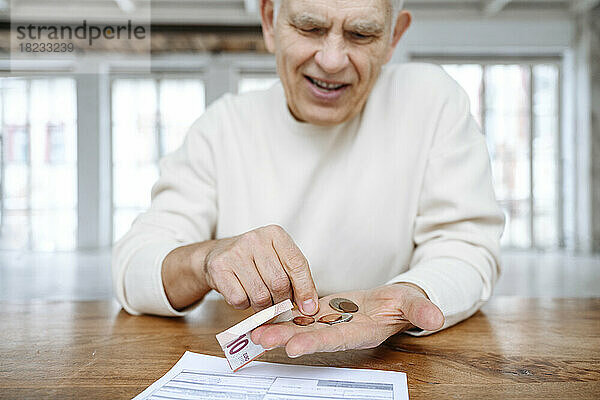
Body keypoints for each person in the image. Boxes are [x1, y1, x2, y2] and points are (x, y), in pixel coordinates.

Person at [112, 0, 504, 358]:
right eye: (309, 28)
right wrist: (205, 259)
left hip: (389, 361)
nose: (332, 60)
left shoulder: (430, 101)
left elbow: (466, 246)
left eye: (361, 34)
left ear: (393, 38)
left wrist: (412, 296)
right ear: (269, 21)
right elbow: (134, 268)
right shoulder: (222, 128)